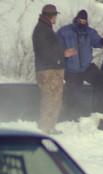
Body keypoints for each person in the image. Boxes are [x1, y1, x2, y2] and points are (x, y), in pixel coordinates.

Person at [58, 9, 103, 117]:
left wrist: (101, 42)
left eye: (84, 21)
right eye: (80, 20)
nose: (82, 23)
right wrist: (63, 53)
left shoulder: (89, 32)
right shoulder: (65, 31)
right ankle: (69, 117)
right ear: (76, 19)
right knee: (73, 94)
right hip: (71, 69)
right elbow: (55, 47)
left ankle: (98, 111)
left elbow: (97, 42)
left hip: (86, 67)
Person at [32, 4, 65, 134]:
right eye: (55, 15)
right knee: (50, 99)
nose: (56, 18)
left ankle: (49, 126)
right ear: (51, 16)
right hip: (48, 70)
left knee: (54, 99)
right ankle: (45, 128)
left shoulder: (45, 28)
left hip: (50, 69)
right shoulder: (42, 30)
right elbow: (45, 52)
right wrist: (63, 54)